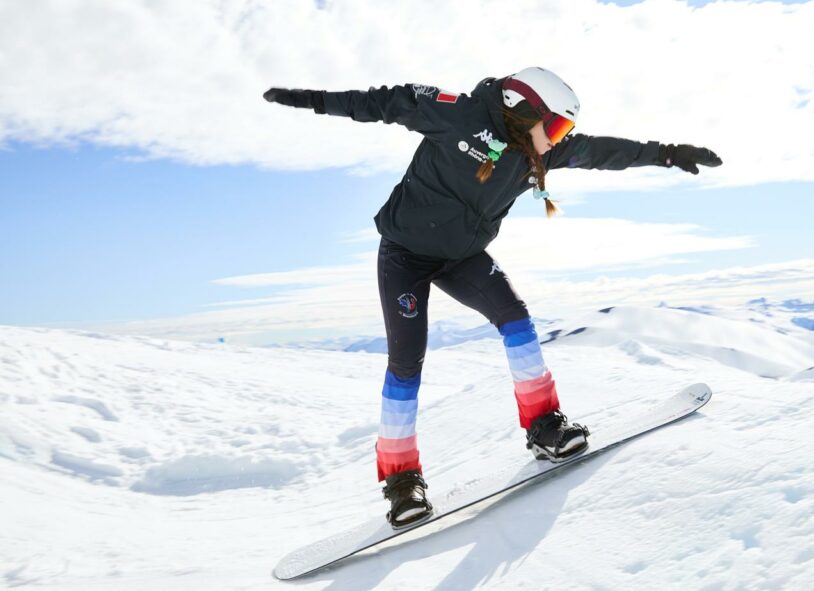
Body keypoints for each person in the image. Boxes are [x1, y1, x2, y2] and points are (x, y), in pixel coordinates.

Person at [263, 67, 722, 529]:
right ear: (524, 111)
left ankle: (545, 427)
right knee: (406, 363)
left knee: (516, 320)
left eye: (566, 129)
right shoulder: (458, 115)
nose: (559, 139)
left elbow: (602, 152)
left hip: (462, 255)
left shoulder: (533, 153)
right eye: (557, 126)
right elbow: (384, 102)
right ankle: (402, 482)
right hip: (405, 254)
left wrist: (665, 153)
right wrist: (311, 99)